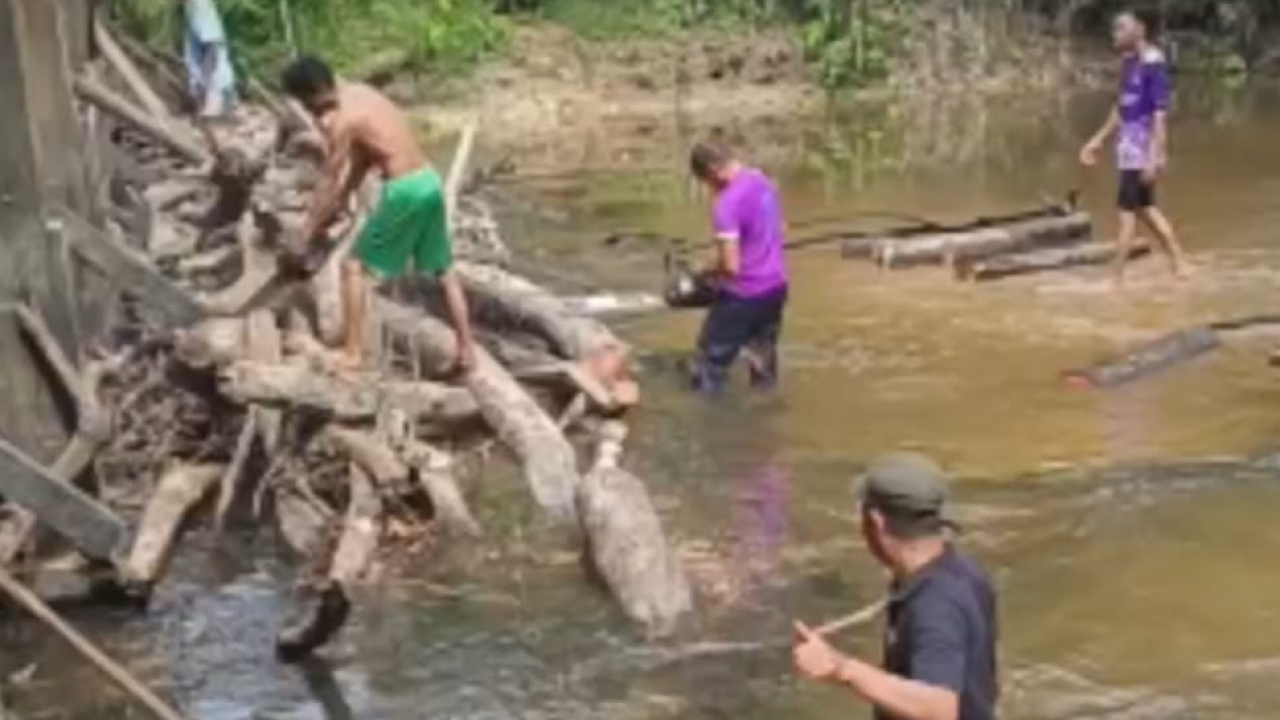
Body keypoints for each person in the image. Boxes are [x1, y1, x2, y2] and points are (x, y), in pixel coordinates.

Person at [280, 56, 476, 372]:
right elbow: (363, 160)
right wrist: (342, 200)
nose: (312, 114)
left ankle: (353, 353)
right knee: (444, 272)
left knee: (352, 266)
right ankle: (467, 349)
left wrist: (307, 231)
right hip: (429, 180)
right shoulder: (362, 94)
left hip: (405, 191)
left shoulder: (344, 121)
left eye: (307, 104)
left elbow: (329, 180)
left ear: (312, 94)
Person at [793, 453, 998, 720]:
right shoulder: (964, 573)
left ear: (876, 522)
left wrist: (840, 668)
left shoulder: (935, 604)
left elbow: (938, 708)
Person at [1080, 9, 1191, 286]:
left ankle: (1115, 278)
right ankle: (1180, 263)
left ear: (1139, 30)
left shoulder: (1153, 64)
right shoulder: (1130, 62)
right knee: (1146, 209)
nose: (1114, 34)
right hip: (1128, 147)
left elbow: (1159, 114)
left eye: (1121, 28)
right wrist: (1098, 139)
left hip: (1141, 148)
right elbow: (1122, 107)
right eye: (1114, 29)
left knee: (1127, 215)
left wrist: (1155, 156)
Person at [687, 142, 789, 394]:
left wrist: (706, 271)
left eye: (706, 181)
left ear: (712, 172)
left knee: (710, 362)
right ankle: (766, 410)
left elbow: (731, 268)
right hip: (776, 287)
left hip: (743, 294)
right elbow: (780, 229)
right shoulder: (762, 181)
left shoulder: (726, 204)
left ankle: (709, 426)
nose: (708, 188)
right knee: (762, 359)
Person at [180, 0, 237, 118]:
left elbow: (212, 49)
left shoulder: (201, 6)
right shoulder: (190, 7)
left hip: (216, 89)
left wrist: (206, 89)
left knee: (212, 126)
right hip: (209, 87)